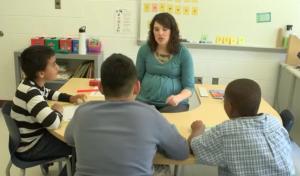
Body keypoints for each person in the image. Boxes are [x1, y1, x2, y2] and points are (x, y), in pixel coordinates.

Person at [64, 53, 189, 176]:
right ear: (137, 87)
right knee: (163, 168)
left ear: (100, 87)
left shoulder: (82, 112)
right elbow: (181, 152)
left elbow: (69, 139)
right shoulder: (151, 115)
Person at [188, 78, 295, 176]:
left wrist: (197, 129)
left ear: (229, 106)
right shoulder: (274, 121)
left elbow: (194, 148)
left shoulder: (226, 131)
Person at [11, 45, 86, 173]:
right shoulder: (32, 93)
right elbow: (53, 123)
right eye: (53, 64)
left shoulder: (28, 84)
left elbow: (49, 93)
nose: (57, 67)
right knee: (79, 145)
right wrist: (58, 111)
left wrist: (70, 98)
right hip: (32, 148)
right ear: (41, 73)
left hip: (29, 141)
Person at [136, 12, 194, 113]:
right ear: (152, 31)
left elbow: (189, 87)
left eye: (165, 29)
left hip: (174, 105)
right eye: (156, 29)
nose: (160, 33)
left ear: (172, 32)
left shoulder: (183, 53)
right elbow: (137, 79)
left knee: (167, 124)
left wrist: (178, 98)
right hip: (145, 101)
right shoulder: (144, 50)